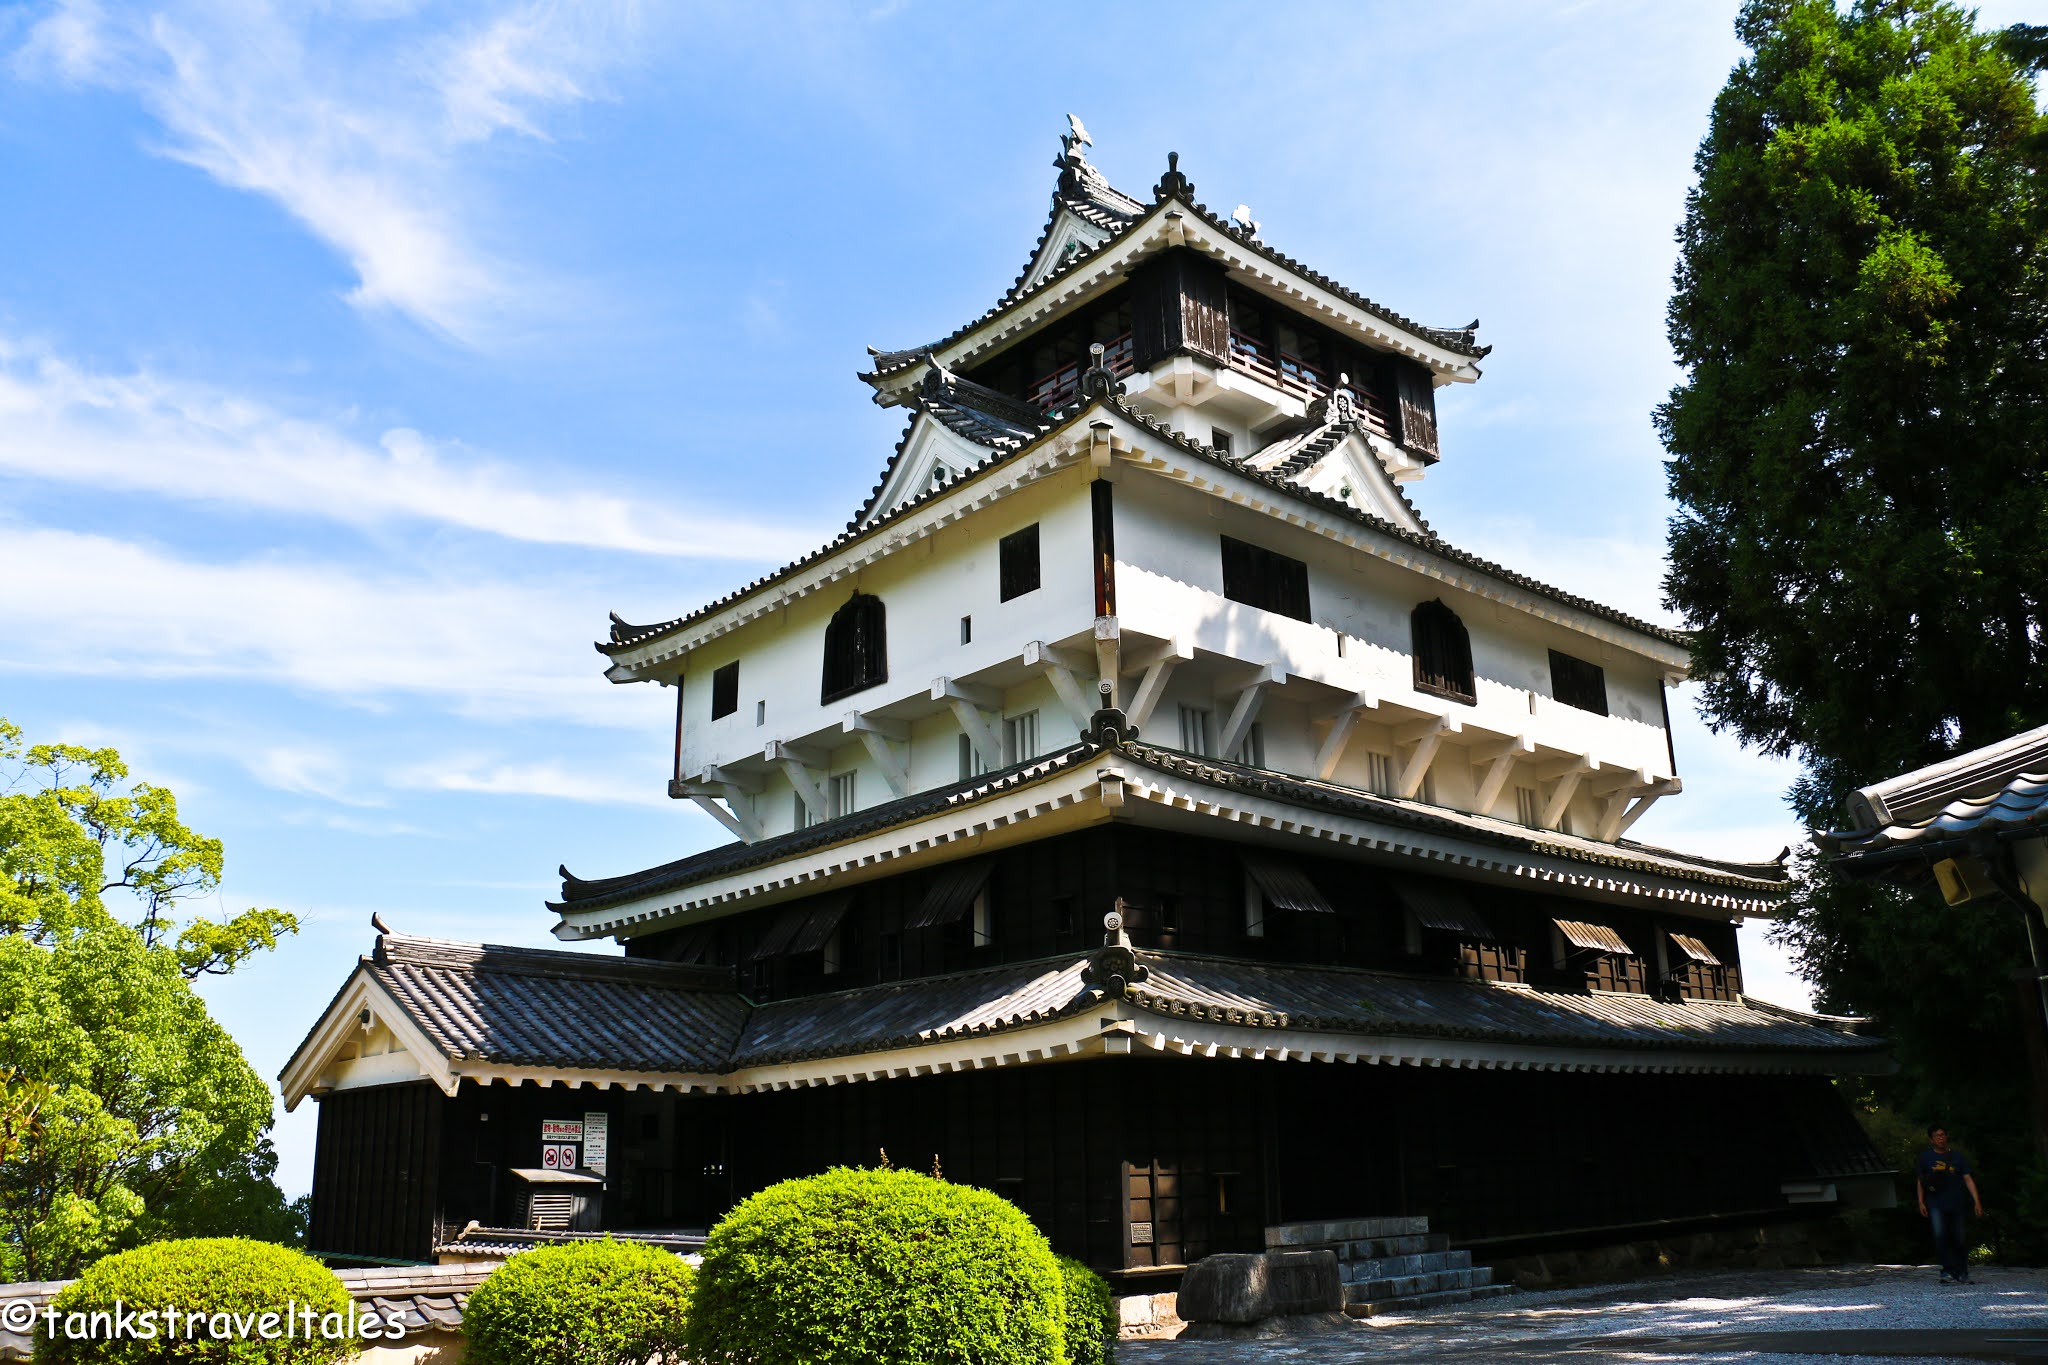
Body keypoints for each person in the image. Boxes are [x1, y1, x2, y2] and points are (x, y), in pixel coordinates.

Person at [1916, 1125, 1983, 1284]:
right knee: (1941, 1237)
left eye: (1943, 1135)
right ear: (1931, 1139)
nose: (1941, 1138)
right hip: (1936, 1203)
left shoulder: (1958, 1157)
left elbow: (1967, 1178)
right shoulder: (1925, 1158)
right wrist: (1920, 1201)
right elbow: (1921, 1181)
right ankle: (1947, 1271)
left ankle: (1962, 1271)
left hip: (1957, 1202)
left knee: (1959, 1238)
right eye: (1937, 1136)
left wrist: (1977, 1201)